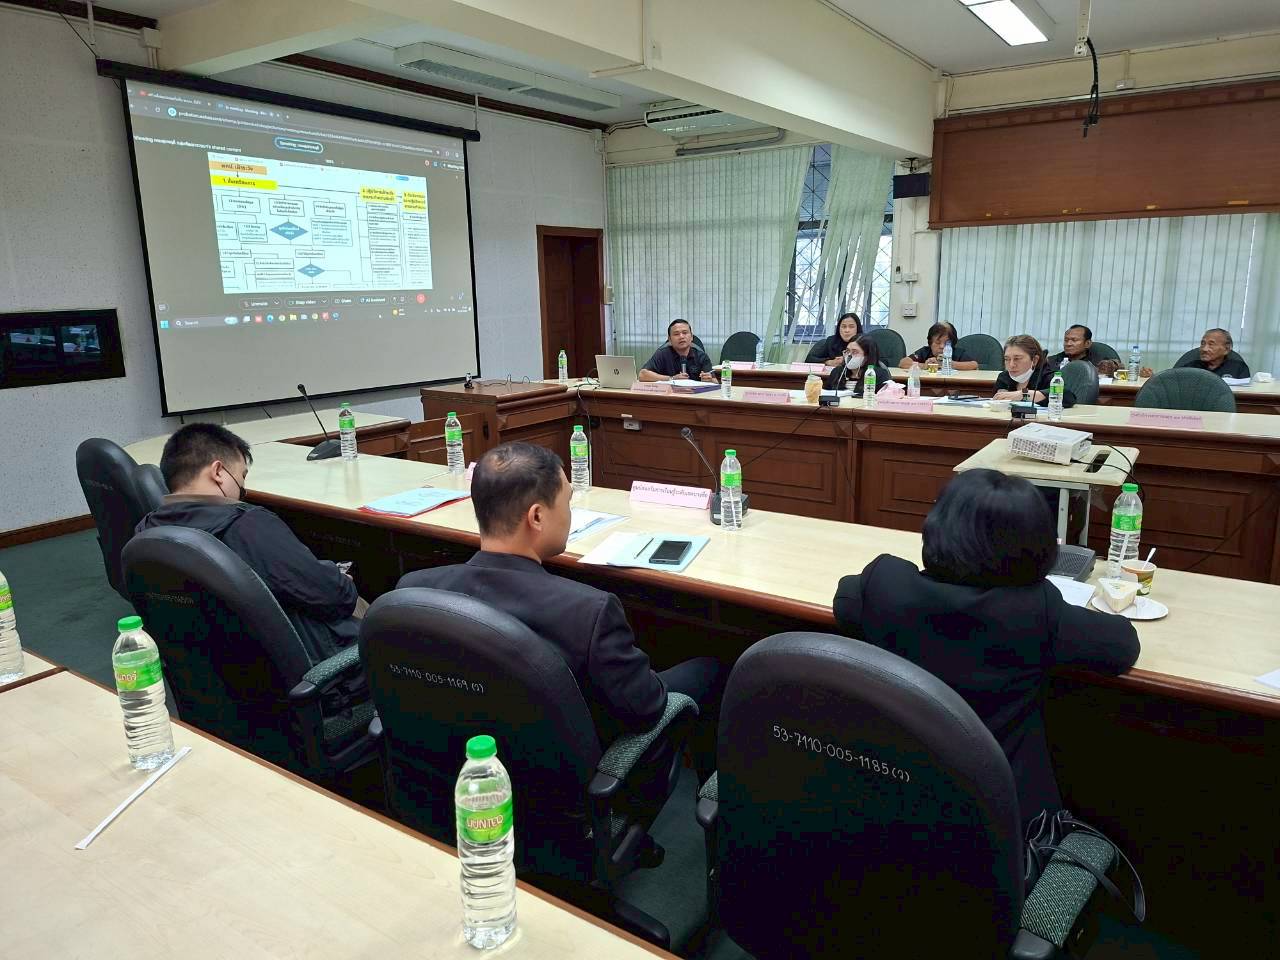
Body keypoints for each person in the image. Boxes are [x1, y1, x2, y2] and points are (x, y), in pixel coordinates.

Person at [833, 469, 1140, 823]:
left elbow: (844, 601)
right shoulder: (1036, 609)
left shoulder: (886, 582)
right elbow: (1122, 645)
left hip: (887, 796)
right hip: (1000, 821)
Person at [398, 442, 724, 754]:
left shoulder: (412, 593)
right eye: (567, 503)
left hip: (451, 763)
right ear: (537, 517)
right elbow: (646, 708)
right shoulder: (590, 612)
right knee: (711, 669)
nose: (570, 514)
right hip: (563, 779)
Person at [137, 423, 365, 664]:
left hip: (214, 668)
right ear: (218, 472)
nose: (242, 489)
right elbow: (331, 596)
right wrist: (342, 581)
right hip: (310, 663)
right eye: (241, 477)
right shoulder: (246, 525)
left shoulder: (147, 532)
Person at [993, 334, 1077, 407]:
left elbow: (1067, 397)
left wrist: (1024, 394)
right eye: (1007, 359)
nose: (1011, 365)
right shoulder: (1004, 377)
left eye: (1017, 359)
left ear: (1035, 360)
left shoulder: (1048, 376)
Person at [638, 319, 717, 382]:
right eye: (676, 334)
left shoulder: (701, 356)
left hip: (695, 396)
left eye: (685, 333)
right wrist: (672, 378)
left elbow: (716, 381)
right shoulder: (663, 354)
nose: (681, 336)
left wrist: (710, 379)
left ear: (691, 337)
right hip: (669, 396)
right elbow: (642, 375)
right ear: (669, 339)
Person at [824, 334, 890, 398]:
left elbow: (884, 399)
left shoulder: (878, 375)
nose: (849, 356)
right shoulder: (838, 372)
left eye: (855, 352)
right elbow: (825, 395)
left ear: (867, 356)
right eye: (847, 351)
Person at [1177, 327, 1251, 380]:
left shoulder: (1239, 368)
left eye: (1211, 344)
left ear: (1226, 349)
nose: (1204, 349)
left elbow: (1245, 394)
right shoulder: (1189, 367)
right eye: (1203, 343)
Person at [1045, 324, 1120, 376]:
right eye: (1066, 340)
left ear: (1087, 343)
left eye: (1074, 340)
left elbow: (1120, 370)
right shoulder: (1053, 361)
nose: (1068, 344)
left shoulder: (1099, 361)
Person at [900, 322, 979, 371]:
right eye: (937, 343)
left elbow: (974, 365)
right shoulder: (924, 351)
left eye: (947, 343)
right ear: (930, 343)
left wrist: (949, 364)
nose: (942, 346)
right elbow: (903, 363)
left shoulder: (958, 353)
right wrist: (924, 366)